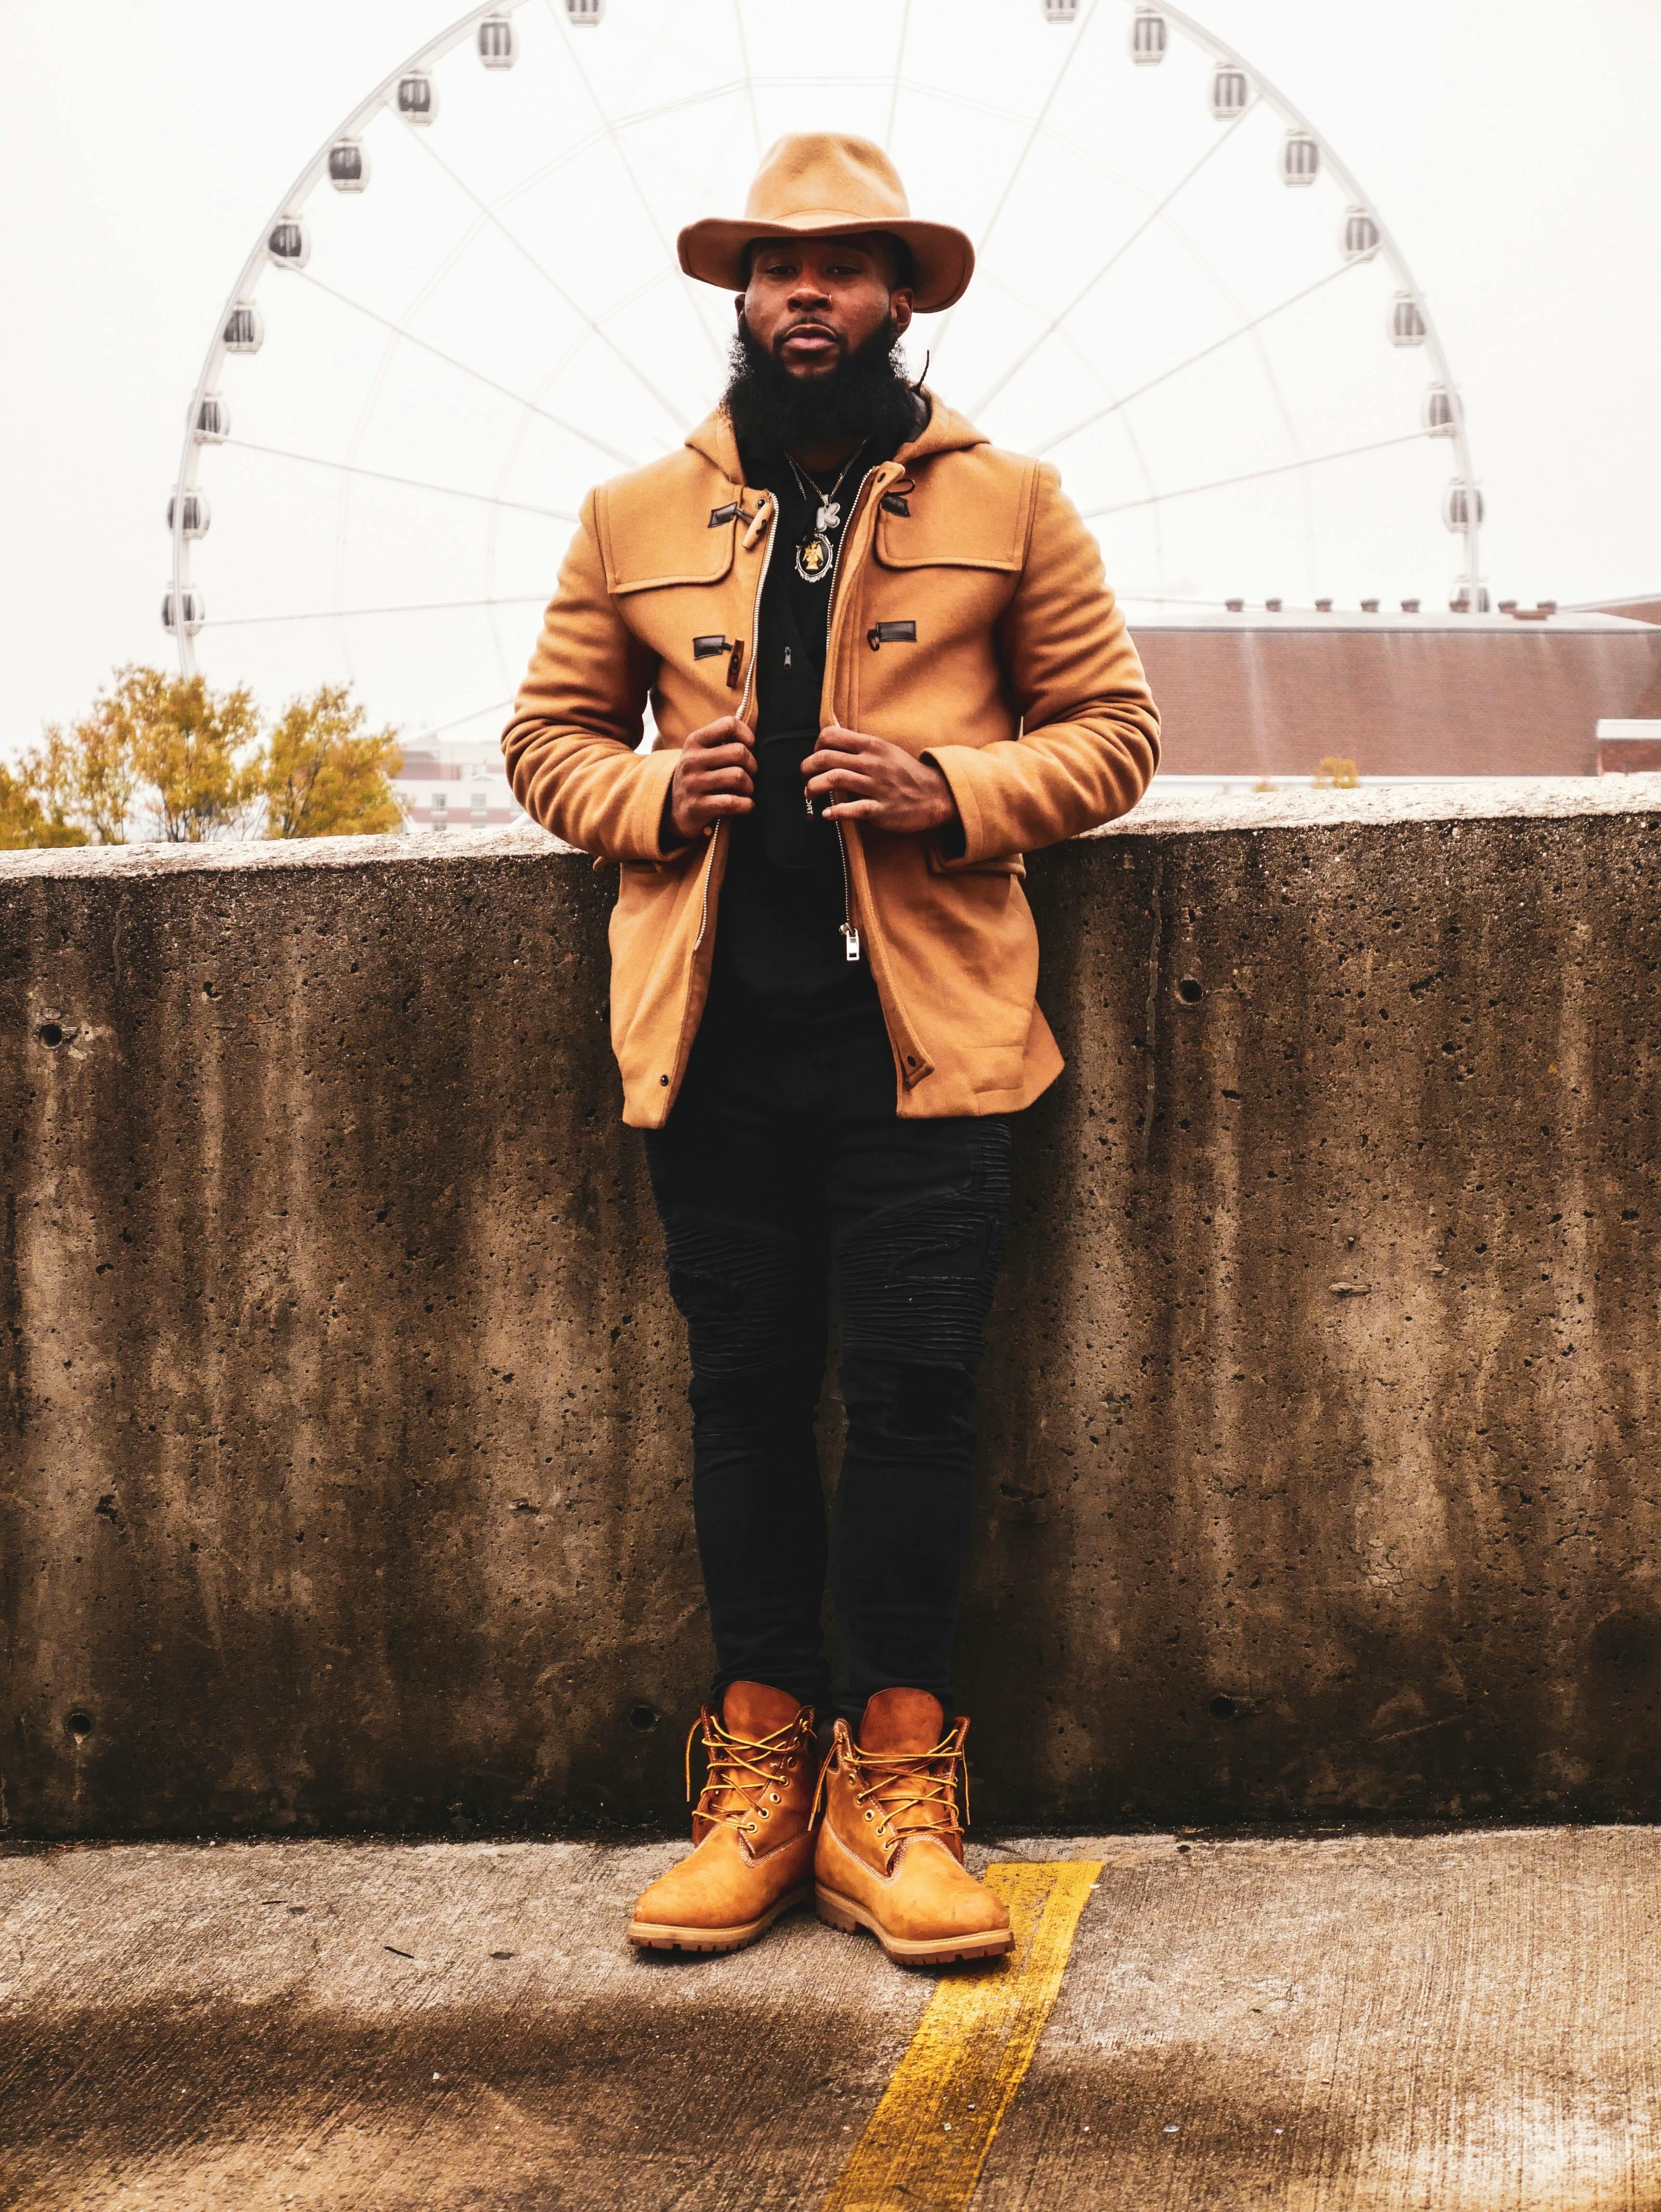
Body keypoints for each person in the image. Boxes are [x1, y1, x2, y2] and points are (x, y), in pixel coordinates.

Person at [503, 133, 1159, 1967]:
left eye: (847, 267)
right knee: (740, 1401)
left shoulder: (1014, 502)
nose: (810, 293)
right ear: (741, 296)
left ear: (900, 299)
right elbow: (545, 741)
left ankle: (899, 1787)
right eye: (779, 266)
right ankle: (760, 1780)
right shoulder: (630, 513)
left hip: (930, 1048)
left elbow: (1114, 737)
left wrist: (947, 786)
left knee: (920, 1402)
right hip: (712, 1051)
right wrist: (648, 792)